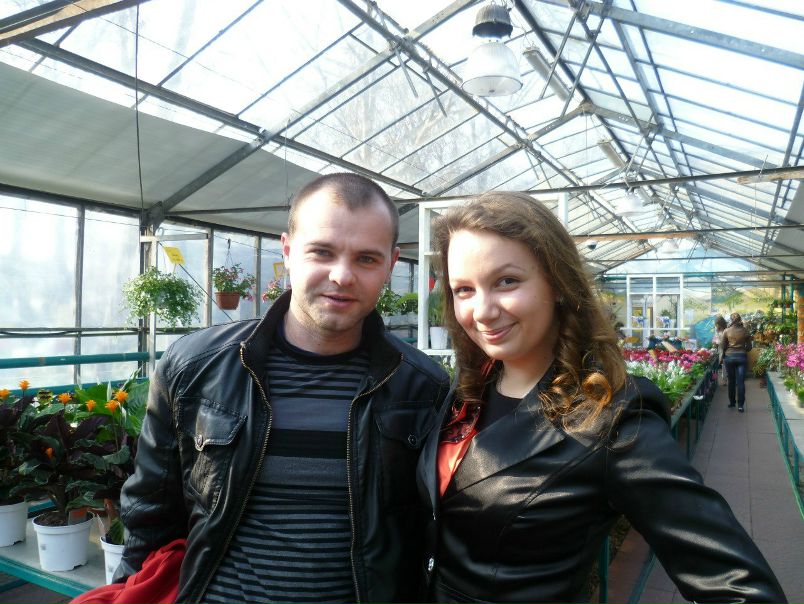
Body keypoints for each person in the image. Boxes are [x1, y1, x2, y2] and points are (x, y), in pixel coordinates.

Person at [416, 192, 786, 604]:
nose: (482, 311)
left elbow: (742, 588)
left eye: (507, 281)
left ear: (558, 283)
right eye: (464, 289)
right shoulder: (469, 387)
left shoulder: (614, 418)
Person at [116, 173, 449, 603]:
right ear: (288, 251)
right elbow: (150, 515)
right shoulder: (195, 367)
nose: (342, 276)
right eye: (322, 252)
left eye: (366, 258)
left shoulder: (422, 388)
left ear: (390, 264)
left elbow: (426, 534)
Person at [722, 312, 752, 412]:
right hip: (742, 357)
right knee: (740, 382)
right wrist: (743, 349)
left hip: (729, 357)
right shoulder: (745, 331)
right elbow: (749, 347)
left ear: (731, 320)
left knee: (731, 381)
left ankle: (732, 403)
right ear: (740, 319)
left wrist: (725, 354)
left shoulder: (726, 331)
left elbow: (723, 346)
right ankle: (740, 405)